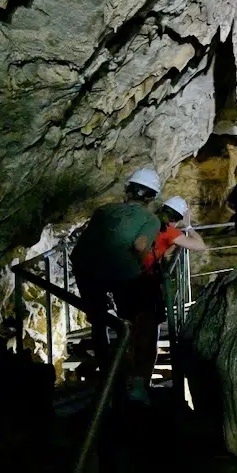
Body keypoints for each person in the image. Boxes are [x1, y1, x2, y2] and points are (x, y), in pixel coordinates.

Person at [69, 167, 163, 404]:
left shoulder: (104, 210)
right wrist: (142, 267)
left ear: (127, 191)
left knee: (99, 322)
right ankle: (138, 384)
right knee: (143, 318)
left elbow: (92, 241)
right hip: (121, 272)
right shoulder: (150, 219)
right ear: (151, 198)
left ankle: (108, 379)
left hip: (86, 269)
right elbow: (141, 246)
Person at [135, 196, 208, 393]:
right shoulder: (170, 231)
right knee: (149, 334)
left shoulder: (147, 222)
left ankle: (131, 380)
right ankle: (140, 385)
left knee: (136, 331)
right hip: (145, 284)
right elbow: (200, 245)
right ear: (177, 218)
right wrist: (189, 227)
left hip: (127, 281)